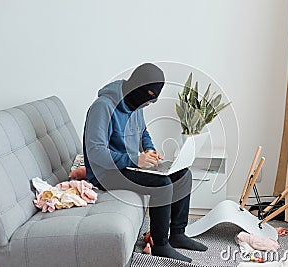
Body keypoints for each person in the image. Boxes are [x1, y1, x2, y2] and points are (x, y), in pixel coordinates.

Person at [83, 63, 207, 262]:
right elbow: (95, 152)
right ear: (137, 88)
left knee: (183, 175)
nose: (148, 104)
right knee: (162, 185)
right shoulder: (103, 106)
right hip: (106, 174)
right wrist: (134, 159)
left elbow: (143, 131)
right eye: (148, 99)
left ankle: (177, 234)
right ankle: (160, 245)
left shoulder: (136, 104)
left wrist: (149, 149)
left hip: (130, 165)